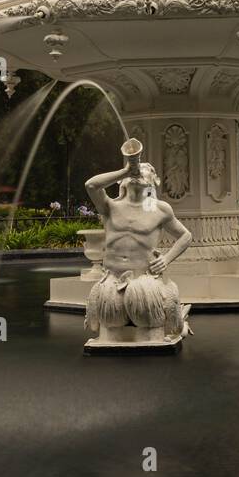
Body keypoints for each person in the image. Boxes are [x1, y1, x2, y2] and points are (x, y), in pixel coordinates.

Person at [85, 141, 193, 339]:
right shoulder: (110, 206)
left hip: (144, 280)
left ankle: (178, 325)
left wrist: (166, 259)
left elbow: (186, 236)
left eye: (146, 170)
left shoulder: (160, 209)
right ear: (123, 181)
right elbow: (91, 185)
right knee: (109, 326)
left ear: (154, 180)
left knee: (149, 327)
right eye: (138, 168)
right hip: (113, 279)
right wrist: (125, 170)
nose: (140, 171)